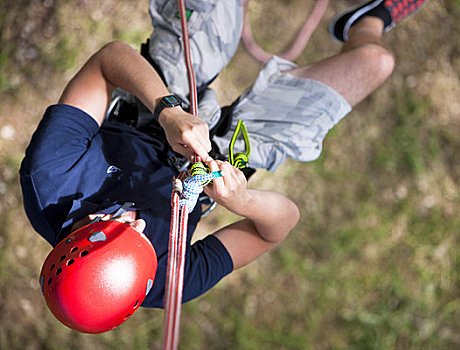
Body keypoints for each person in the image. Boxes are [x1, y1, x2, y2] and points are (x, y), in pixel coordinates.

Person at [20, 0, 428, 311]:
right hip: (224, 164)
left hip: (152, 109)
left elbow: (108, 60)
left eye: (117, 223)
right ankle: (364, 24)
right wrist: (241, 201)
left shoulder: (50, 179)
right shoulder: (165, 281)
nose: (138, 220)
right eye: (141, 237)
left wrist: (169, 111)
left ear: (77, 232)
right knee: (375, 62)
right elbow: (277, 227)